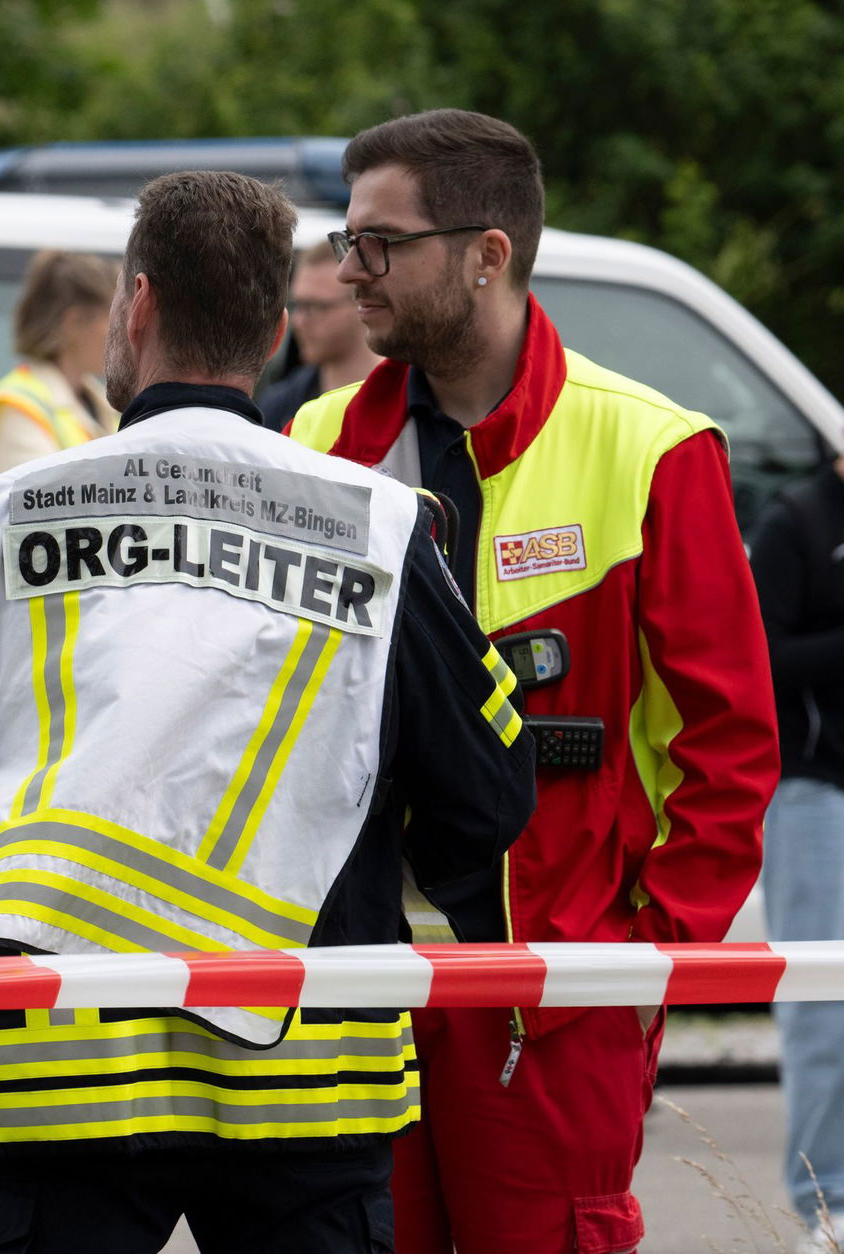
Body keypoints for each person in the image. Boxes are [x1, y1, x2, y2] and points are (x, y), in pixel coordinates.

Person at [0, 169, 536, 1254]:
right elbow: (489, 793)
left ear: (136, 307)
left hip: (54, 1070)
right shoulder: (376, 527)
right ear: (274, 332)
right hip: (306, 1073)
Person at [287, 108, 780, 1253]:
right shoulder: (313, 448)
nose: (347, 270)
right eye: (344, 239)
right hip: (351, 982)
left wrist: (638, 957)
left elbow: (731, 739)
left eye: (377, 243)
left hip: (553, 991)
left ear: (485, 255)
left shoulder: (653, 448)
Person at [747, 461, 844, 1254]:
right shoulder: (799, 521)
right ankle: (826, 1202)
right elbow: (758, 662)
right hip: (814, 792)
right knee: (823, 1003)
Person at [0, 249, 118, 487]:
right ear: (74, 322)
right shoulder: (15, 409)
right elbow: (47, 508)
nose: (126, 331)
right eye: (114, 319)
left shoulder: (103, 404)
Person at [257, 241, 380, 432]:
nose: (299, 321)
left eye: (316, 307)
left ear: (361, 302)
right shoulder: (280, 406)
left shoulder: (408, 395)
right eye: (297, 305)